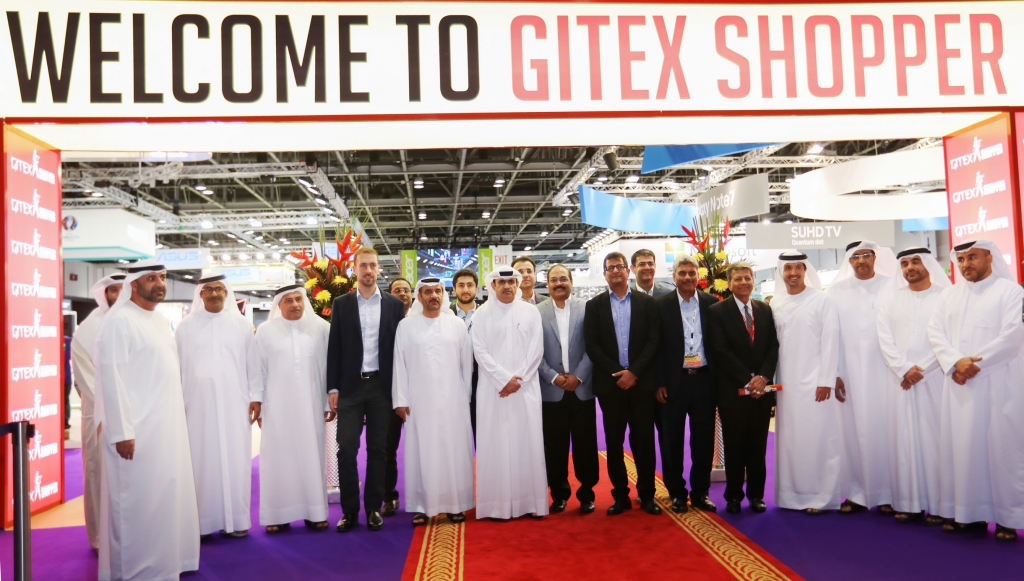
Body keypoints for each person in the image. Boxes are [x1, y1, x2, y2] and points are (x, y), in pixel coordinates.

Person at [94, 262, 199, 580]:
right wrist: (122, 431)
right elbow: (113, 379)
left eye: (162, 278)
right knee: (136, 502)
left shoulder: (158, 319)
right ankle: (134, 571)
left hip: (165, 428)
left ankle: (164, 565)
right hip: (136, 431)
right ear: (134, 284)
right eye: (151, 278)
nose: (159, 284)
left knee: (164, 499)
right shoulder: (119, 321)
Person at [928, 239, 1024, 541]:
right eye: (961, 259)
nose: (966, 264)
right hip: (959, 386)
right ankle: (969, 515)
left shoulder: (1011, 292)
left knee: (1002, 450)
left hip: (999, 384)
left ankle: (1008, 518)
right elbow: (935, 332)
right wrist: (955, 362)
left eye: (972, 257)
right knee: (963, 451)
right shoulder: (949, 295)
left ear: (989, 257)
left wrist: (971, 365)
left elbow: (1012, 336)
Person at [175, 274, 262, 539]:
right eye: (209, 289)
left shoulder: (241, 326)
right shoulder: (185, 327)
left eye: (219, 289)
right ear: (200, 294)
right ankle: (202, 522)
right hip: (196, 405)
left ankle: (237, 520)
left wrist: (256, 397)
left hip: (235, 402)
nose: (214, 293)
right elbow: (177, 367)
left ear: (227, 293)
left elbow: (253, 364)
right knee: (200, 460)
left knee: (236, 459)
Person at [327, 248, 405, 532]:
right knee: (347, 448)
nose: (369, 270)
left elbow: (400, 350)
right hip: (350, 387)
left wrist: (400, 389)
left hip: (382, 388)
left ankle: (373, 507)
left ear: (378, 269)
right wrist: (333, 387)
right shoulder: (342, 304)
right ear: (355, 269)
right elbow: (335, 346)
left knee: (379, 449)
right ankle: (349, 511)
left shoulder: (395, 305)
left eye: (373, 265)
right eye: (364, 266)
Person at [584, 252, 662, 516]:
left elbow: (654, 341)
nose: (615, 271)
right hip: (611, 386)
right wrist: (618, 373)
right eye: (610, 268)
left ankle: (647, 495)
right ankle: (620, 496)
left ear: (628, 271)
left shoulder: (647, 303)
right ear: (604, 273)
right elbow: (592, 345)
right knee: (614, 444)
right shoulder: (594, 306)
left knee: (644, 442)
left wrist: (634, 372)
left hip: (642, 384)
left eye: (619, 266)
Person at [876, 247, 950, 525]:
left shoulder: (946, 297)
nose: (910, 268)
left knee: (936, 442)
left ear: (928, 264)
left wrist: (923, 369)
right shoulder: (891, 300)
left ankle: (941, 506)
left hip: (936, 380)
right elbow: (884, 338)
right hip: (900, 381)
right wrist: (903, 368)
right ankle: (909, 503)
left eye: (915, 261)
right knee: (904, 441)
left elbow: (949, 339)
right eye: (905, 263)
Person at [393, 278, 475, 526]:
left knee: (453, 452)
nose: (433, 296)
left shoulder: (456, 324)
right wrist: (400, 399)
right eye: (427, 292)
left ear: (443, 294)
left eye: (437, 291)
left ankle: (455, 504)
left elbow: (466, 365)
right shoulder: (406, 326)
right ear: (419, 296)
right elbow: (399, 365)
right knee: (421, 452)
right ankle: (421, 505)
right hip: (419, 401)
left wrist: (465, 397)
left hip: (453, 401)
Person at [828, 240, 899, 515]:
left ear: (874, 257)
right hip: (849, 374)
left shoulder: (892, 285)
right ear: (849, 261)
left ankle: (888, 493)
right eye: (855, 256)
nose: (861, 260)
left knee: (886, 430)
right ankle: (856, 493)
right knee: (852, 432)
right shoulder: (836, 290)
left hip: (885, 372)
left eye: (866, 255)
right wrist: (835, 372)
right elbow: (832, 335)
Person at [255, 285, 333, 534]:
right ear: (279, 305)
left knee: (312, 457)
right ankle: (278, 515)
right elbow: (259, 370)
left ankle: (315, 512)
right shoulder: (266, 331)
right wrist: (260, 405)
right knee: (278, 460)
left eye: (298, 299)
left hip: (312, 406)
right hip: (277, 407)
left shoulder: (321, 328)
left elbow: (328, 369)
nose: (295, 304)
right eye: (288, 300)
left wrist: (327, 401)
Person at [472, 266, 547, 519]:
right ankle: (497, 505)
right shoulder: (481, 315)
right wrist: (504, 380)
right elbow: (480, 352)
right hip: (494, 391)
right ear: (492, 285)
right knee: (495, 445)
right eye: (501, 282)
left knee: (527, 443)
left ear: (517, 284)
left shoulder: (531, 312)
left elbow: (536, 350)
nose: (507, 286)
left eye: (511, 282)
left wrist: (518, 380)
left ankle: (530, 503)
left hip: (525, 389)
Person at [771, 251, 842, 514]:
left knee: (818, 439)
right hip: (786, 386)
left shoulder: (821, 300)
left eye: (797, 268)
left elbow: (831, 340)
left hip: (815, 384)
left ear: (805, 270)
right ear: (782, 272)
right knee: (791, 441)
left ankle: (820, 497)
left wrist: (826, 380)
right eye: (788, 268)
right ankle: (791, 496)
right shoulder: (775, 303)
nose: (793, 273)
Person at [707, 261, 779, 514]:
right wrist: (748, 381)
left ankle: (756, 496)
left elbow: (772, 346)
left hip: (761, 392)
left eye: (747, 278)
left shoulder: (764, 309)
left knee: (758, 448)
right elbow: (720, 351)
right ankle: (734, 496)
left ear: (753, 280)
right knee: (735, 447)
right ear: (729, 283)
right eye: (737, 279)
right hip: (733, 393)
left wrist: (764, 377)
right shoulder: (717, 311)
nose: (743, 283)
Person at [654, 255, 718, 514]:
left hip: (704, 380)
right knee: (671, 440)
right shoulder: (661, 305)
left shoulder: (712, 304)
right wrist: (659, 382)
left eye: (692, 273)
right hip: (674, 382)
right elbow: (655, 346)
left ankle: (701, 492)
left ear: (698, 276)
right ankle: (677, 493)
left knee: (703, 440)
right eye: (682, 273)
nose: (688, 277)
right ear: (674, 276)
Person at [537, 265, 598, 514]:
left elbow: (594, 346)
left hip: (581, 389)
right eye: (554, 280)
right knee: (554, 446)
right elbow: (533, 352)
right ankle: (559, 494)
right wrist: (553, 377)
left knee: (585, 445)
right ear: (547, 284)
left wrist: (578, 376)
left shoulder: (587, 309)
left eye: (563, 279)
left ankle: (587, 494)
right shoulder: (536, 312)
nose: (559, 283)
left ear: (571, 281)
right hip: (551, 391)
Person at [70, 273, 124, 551]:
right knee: (99, 474)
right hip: (101, 416)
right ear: (104, 294)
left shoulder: (141, 322)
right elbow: (89, 381)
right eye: (113, 290)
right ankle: (101, 539)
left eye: (124, 289)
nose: (119, 295)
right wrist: (115, 409)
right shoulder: (88, 329)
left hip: (137, 413)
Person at [382, 276, 413, 517]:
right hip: (388, 394)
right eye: (397, 290)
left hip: (420, 395)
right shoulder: (383, 320)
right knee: (387, 448)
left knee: (423, 447)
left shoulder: (423, 318)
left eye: (406, 290)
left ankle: (426, 494)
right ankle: (389, 496)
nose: (402, 293)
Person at [450, 268, 480, 437]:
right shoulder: (445, 314)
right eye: (461, 285)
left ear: (477, 288)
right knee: (456, 433)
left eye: (470, 285)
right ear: (454, 289)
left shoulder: (486, 313)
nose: (466, 289)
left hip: (483, 379)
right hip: (454, 380)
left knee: (483, 431)